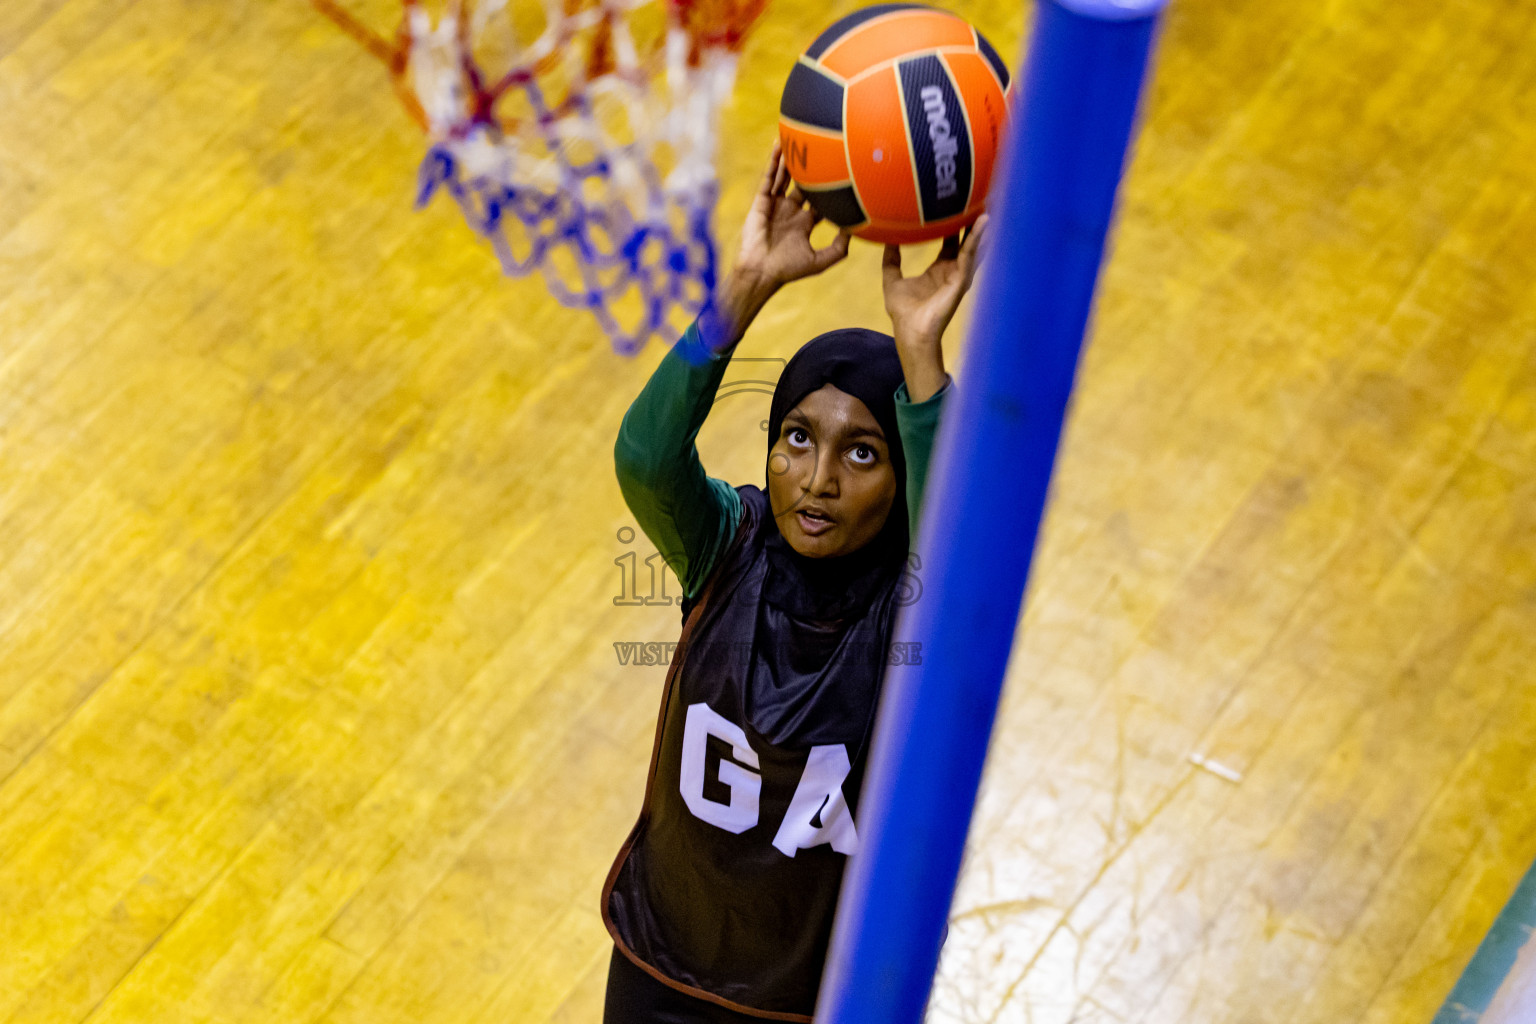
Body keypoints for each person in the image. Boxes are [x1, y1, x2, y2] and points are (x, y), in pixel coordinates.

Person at [601, 140, 986, 1023]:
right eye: (798, 438)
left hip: (811, 999)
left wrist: (921, 355)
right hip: (661, 963)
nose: (817, 480)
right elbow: (646, 458)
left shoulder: (913, 607)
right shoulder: (724, 545)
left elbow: (963, 542)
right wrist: (745, 286)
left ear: (900, 481)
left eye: (862, 453)